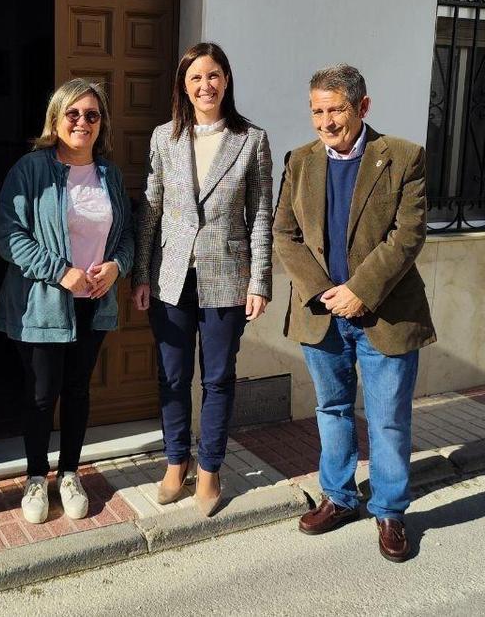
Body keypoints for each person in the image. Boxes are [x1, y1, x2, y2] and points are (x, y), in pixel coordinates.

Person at [273, 64, 435, 562]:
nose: (325, 122)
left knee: (388, 419)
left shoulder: (404, 157)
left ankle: (389, 511)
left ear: (363, 107)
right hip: (322, 315)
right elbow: (285, 234)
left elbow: (407, 235)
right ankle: (339, 498)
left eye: (335, 109)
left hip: (384, 313)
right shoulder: (299, 161)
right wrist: (325, 291)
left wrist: (360, 291)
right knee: (332, 409)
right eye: (317, 111)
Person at [132, 42, 273, 516]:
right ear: (183, 85)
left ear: (226, 80)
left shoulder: (251, 139)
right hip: (170, 276)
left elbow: (261, 216)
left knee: (217, 378)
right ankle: (176, 463)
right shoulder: (163, 138)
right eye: (195, 78)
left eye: (213, 76)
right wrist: (141, 274)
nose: (205, 85)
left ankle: (210, 470)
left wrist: (259, 281)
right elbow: (150, 209)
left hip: (226, 277)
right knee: (172, 376)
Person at [0, 78, 134, 524]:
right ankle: (37, 478)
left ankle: (69, 473)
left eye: (92, 115)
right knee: (40, 394)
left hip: (93, 303)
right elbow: (8, 236)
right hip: (43, 304)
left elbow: (126, 235)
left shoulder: (110, 174)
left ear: (102, 123)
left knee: (76, 391)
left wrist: (116, 267)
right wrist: (61, 271)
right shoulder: (30, 170)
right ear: (56, 119)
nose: (82, 122)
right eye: (72, 113)